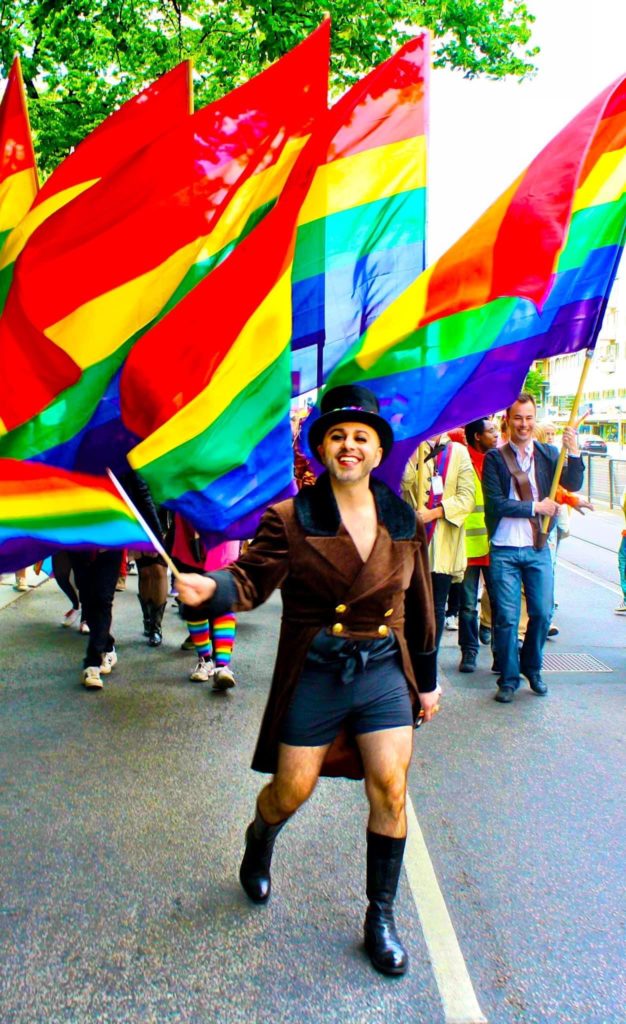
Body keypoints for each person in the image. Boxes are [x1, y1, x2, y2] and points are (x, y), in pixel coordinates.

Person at [175, 384, 438, 977]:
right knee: (291, 790)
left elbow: (420, 604)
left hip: (383, 670)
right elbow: (250, 579)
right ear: (321, 448)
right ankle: (261, 835)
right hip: (317, 670)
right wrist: (211, 588)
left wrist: (426, 681)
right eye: (337, 436)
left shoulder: (402, 519)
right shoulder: (291, 518)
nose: (349, 446)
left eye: (361, 437)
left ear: (378, 451)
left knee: (391, 789)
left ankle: (381, 916)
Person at [483, 392, 584, 703]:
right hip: (504, 549)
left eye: (529, 418)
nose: (524, 424)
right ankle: (508, 679)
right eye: (518, 418)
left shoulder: (549, 454)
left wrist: (574, 451)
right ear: (508, 421)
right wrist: (536, 507)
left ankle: (532, 667)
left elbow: (573, 483)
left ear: (534, 419)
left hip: (538, 548)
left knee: (541, 612)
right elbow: (496, 503)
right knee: (507, 618)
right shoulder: (495, 459)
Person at [402, 432, 475, 649]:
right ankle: (408, 659)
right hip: (411, 541)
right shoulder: (408, 447)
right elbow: (401, 484)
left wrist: (434, 513)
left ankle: (429, 661)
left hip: (442, 543)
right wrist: (411, 453)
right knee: (409, 605)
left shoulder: (459, 452)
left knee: (436, 607)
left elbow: (467, 498)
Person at [458, 417, 499, 672]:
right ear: (477, 436)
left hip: (496, 545)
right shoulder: (461, 459)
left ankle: (500, 654)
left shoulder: (500, 459)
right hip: (469, 547)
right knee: (467, 604)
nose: (496, 435)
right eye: (491, 431)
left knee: (499, 602)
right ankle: (469, 651)